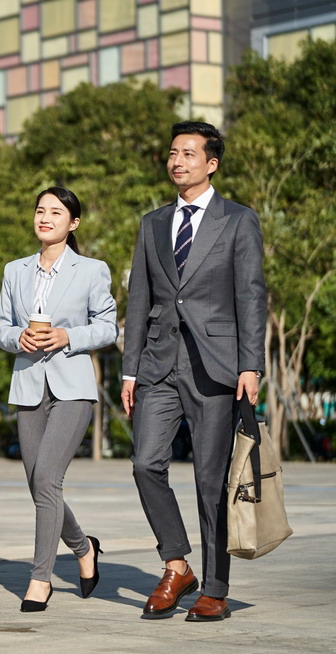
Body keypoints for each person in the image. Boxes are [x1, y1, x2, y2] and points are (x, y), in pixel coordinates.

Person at [121, 121, 267, 622]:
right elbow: (139, 299)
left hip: (218, 367)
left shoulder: (238, 220)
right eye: (172, 153)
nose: (177, 161)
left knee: (210, 479)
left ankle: (216, 588)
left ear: (211, 163)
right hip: (158, 364)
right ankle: (176, 563)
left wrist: (252, 363)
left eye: (188, 153)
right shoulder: (152, 224)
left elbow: (250, 295)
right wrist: (128, 370)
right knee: (145, 463)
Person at [0, 186, 117, 612]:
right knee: (37, 483)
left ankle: (39, 578)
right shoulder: (15, 271)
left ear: (73, 223)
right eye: (40, 210)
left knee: (47, 480)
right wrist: (18, 337)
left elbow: (108, 327)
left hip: (73, 388)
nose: (45, 218)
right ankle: (84, 549)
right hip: (28, 385)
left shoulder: (92, 270)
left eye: (56, 212)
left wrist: (68, 336)